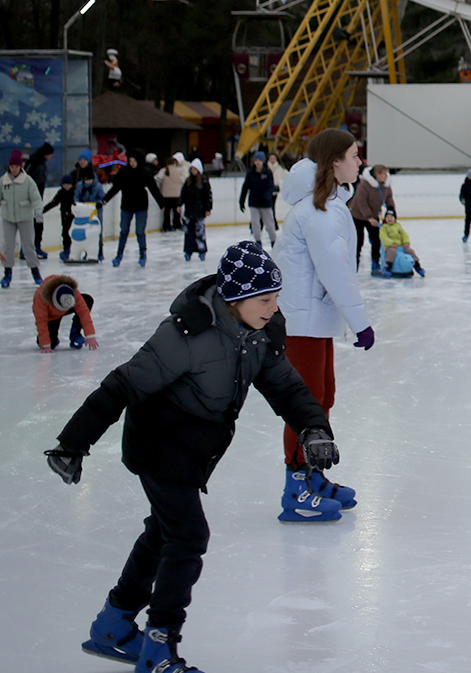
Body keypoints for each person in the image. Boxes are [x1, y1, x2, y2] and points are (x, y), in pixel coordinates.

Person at [46, 242, 338, 673]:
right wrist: (72, 444)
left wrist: (314, 427)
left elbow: (287, 387)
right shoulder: (185, 334)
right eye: (264, 299)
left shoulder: (262, 332)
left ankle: (114, 625)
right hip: (158, 442)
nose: (274, 308)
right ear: (236, 297)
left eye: (276, 298)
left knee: (162, 533)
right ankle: (160, 646)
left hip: (198, 445)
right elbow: (122, 385)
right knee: (187, 536)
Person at [274, 129, 373, 520]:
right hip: (301, 322)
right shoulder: (318, 212)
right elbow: (335, 273)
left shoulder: (328, 205)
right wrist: (360, 322)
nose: (359, 161)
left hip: (313, 319)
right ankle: (295, 489)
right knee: (306, 403)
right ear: (335, 161)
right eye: (353, 154)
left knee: (322, 396)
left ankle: (312, 474)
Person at [0, 148, 45, 289]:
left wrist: (38, 211)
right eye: (12, 167)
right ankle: (7, 274)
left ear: (21, 167)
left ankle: (36, 273)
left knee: (28, 246)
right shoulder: (3, 181)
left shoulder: (28, 181)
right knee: (8, 246)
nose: (14, 169)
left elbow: (36, 198)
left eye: (16, 167)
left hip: (25, 218)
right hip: (8, 219)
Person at [103, 150, 157, 267]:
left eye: (134, 161)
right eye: (130, 161)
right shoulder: (124, 172)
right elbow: (116, 187)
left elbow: (153, 188)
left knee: (140, 232)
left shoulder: (145, 172)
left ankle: (142, 254)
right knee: (124, 231)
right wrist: (106, 199)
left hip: (141, 206)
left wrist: (162, 204)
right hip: (127, 205)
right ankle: (119, 255)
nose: (132, 163)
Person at [348, 163, 397, 272]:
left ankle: (376, 262)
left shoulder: (385, 186)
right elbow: (361, 203)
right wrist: (369, 217)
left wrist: (391, 212)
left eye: (387, 174)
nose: (386, 176)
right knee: (358, 241)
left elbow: (389, 199)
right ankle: (354, 264)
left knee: (376, 241)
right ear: (377, 174)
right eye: (384, 174)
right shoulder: (364, 185)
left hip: (373, 217)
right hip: (358, 217)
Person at [33, 273, 97, 351]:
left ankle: (75, 333)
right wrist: (45, 344)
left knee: (87, 300)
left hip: (67, 306)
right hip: (51, 316)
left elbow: (83, 312)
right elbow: (41, 321)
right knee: (50, 343)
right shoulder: (41, 297)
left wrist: (90, 335)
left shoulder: (72, 291)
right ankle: (51, 337)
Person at [239, 151, 279, 246]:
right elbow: (245, 187)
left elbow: (271, 186)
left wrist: (267, 196)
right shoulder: (250, 173)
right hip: (254, 202)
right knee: (255, 223)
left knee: (269, 224)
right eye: (256, 160)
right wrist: (242, 201)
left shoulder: (268, 172)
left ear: (263, 161)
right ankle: (258, 241)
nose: (258, 162)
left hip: (266, 203)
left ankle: (273, 241)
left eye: (260, 160)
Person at [374, 209, 424, 278]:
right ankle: (388, 267)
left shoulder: (398, 226)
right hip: (390, 246)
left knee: (410, 250)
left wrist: (406, 242)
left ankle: (417, 265)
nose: (389, 219)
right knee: (392, 251)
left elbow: (404, 234)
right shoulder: (384, 227)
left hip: (401, 246)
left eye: (391, 217)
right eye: (387, 217)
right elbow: (383, 237)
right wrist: (391, 243)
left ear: (395, 218)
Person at [179, 162, 214, 262]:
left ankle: (201, 250)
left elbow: (208, 196)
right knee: (189, 232)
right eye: (192, 169)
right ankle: (188, 251)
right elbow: (183, 194)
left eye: (195, 169)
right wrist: (179, 204)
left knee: (200, 232)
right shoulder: (188, 181)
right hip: (189, 211)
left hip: (200, 211)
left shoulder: (203, 181)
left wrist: (208, 209)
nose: (193, 171)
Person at [27, 142, 55, 257]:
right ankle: (32, 248)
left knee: (33, 224)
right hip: (33, 199)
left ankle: (29, 248)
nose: (51, 157)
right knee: (35, 224)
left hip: (34, 198)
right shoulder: (37, 164)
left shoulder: (36, 161)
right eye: (50, 155)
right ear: (46, 154)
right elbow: (36, 182)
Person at [156, 153, 188, 233]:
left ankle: (166, 226)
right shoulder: (179, 170)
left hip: (166, 195)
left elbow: (158, 178)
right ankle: (176, 224)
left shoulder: (164, 170)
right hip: (176, 194)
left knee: (166, 212)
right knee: (176, 212)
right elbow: (183, 179)